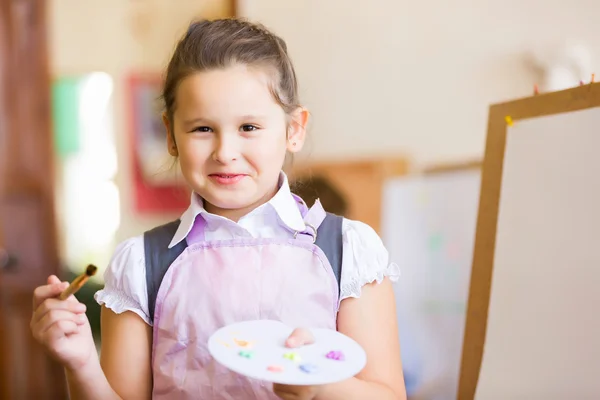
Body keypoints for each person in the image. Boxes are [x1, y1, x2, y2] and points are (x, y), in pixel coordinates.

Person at [30, 18, 405, 400]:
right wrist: (81, 363)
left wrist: (320, 383)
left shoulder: (349, 251)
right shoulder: (140, 265)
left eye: (249, 127)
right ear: (171, 135)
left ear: (294, 129)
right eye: (202, 129)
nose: (225, 153)